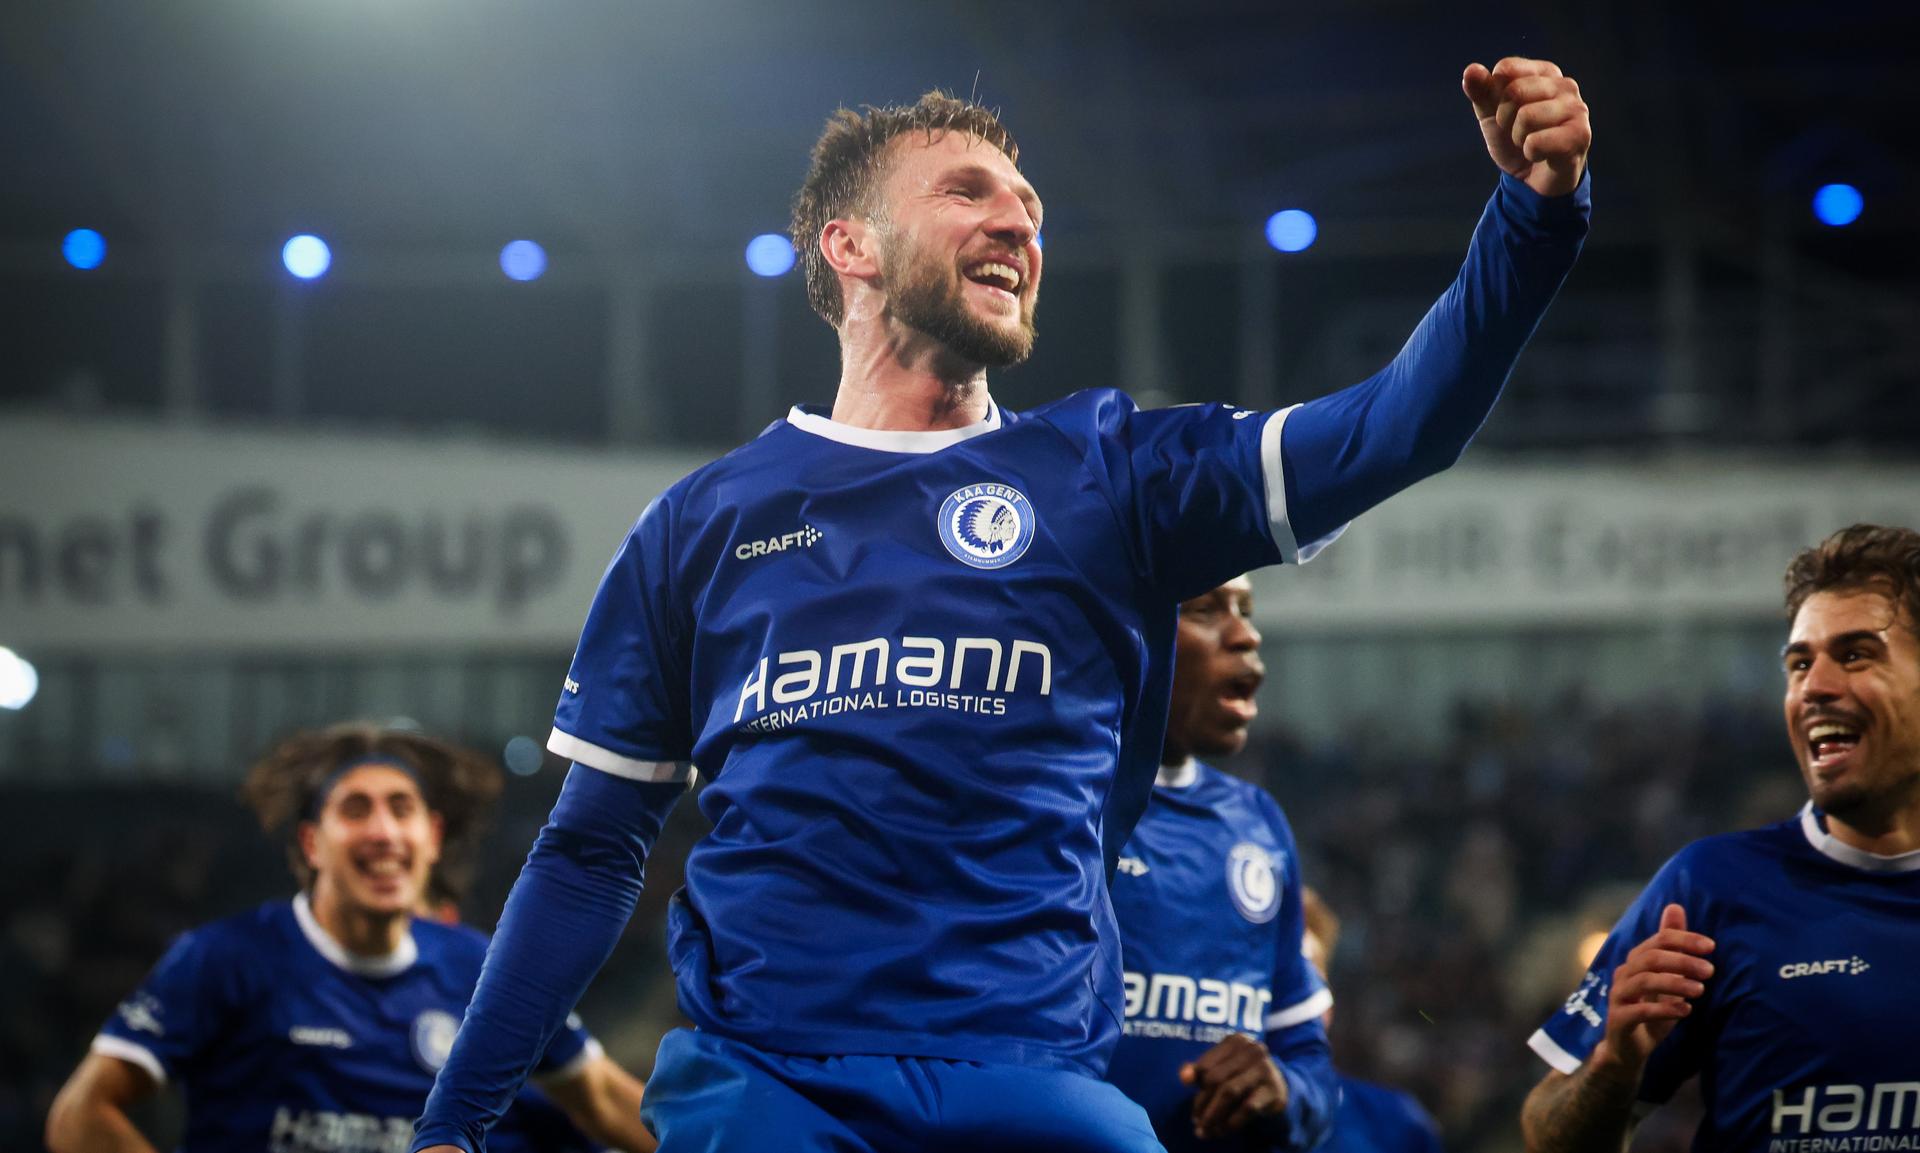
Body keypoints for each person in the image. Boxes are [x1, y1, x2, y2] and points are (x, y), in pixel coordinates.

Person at [417, 59, 1592, 1153]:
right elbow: (586, 853)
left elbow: (1398, 428)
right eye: (969, 191)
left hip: (1037, 1088)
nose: (1021, 221)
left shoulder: (1111, 471)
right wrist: (453, 1126)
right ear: (851, 246)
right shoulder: (701, 523)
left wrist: (1530, 221)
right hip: (770, 1088)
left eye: (1030, 204)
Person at [44, 723, 655, 1153]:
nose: (383, 832)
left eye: (401, 808)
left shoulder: (481, 970)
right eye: (356, 809)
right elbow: (79, 1116)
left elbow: (600, 1097)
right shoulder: (224, 959)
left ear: (432, 837)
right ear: (313, 843)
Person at [1520, 524, 1920, 1152]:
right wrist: (1614, 1065)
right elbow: (1549, 1135)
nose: (1813, 686)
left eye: (1854, 654)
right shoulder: (1708, 889)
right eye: (1798, 664)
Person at [1102, 576, 1338, 1151]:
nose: (1246, 634)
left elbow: (1310, 1063)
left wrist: (1280, 1089)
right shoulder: (1062, 806)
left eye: (1248, 611)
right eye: (1206, 609)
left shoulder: (1257, 822)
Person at [1301, 890, 1444, 1153]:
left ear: (1328, 1004)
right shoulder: (1205, 1121)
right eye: (1274, 971)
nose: (1289, 997)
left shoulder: (1398, 1126)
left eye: (1304, 976)